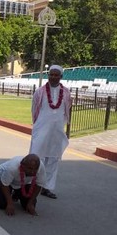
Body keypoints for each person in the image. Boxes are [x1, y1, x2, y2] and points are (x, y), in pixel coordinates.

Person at [29, 64, 72, 199]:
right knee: (36, 156)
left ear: (61, 76)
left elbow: (68, 109)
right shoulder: (40, 91)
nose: (53, 77)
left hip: (57, 130)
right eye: (51, 74)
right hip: (41, 128)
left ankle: (46, 187)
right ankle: (31, 184)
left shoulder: (66, 92)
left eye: (56, 75)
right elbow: (34, 109)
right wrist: (37, 125)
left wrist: (64, 127)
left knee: (53, 158)